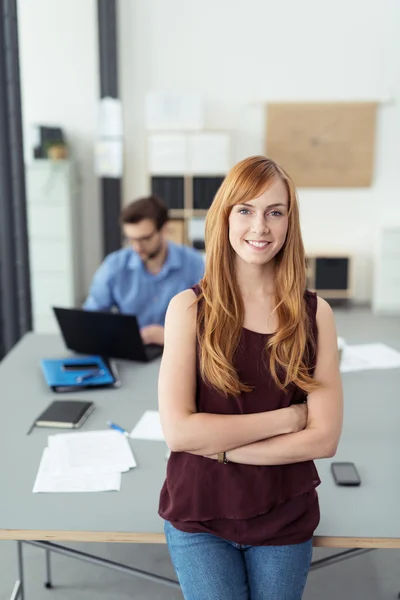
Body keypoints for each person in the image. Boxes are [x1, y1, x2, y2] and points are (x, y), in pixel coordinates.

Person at [158, 156, 343, 600]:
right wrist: (285, 420)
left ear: (288, 223)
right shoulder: (188, 309)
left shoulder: (316, 314)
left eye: (274, 212)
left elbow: (323, 441)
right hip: (200, 514)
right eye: (246, 210)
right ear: (224, 217)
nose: (260, 226)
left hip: (283, 514)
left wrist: (219, 448)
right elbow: (179, 432)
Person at [83, 195, 205, 346]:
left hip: (181, 349)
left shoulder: (194, 264)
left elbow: (211, 321)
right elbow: (91, 318)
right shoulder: (114, 265)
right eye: (131, 239)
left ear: (164, 229)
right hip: (129, 351)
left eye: (145, 239)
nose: (137, 247)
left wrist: (169, 335)